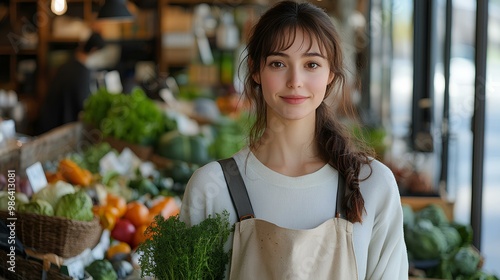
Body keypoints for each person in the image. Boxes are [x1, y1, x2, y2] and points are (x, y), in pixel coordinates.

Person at [180, 1, 408, 279]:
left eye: (311, 64)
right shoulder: (211, 187)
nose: (295, 80)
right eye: (278, 63)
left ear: (331, 75)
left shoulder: (373, 185)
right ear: (255, 70)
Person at [37, 32, 105, 134]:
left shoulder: (67, 66)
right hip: (58, 130)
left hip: (48, 125)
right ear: (94, 50)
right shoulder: (82, 72)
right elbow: (84, 104)